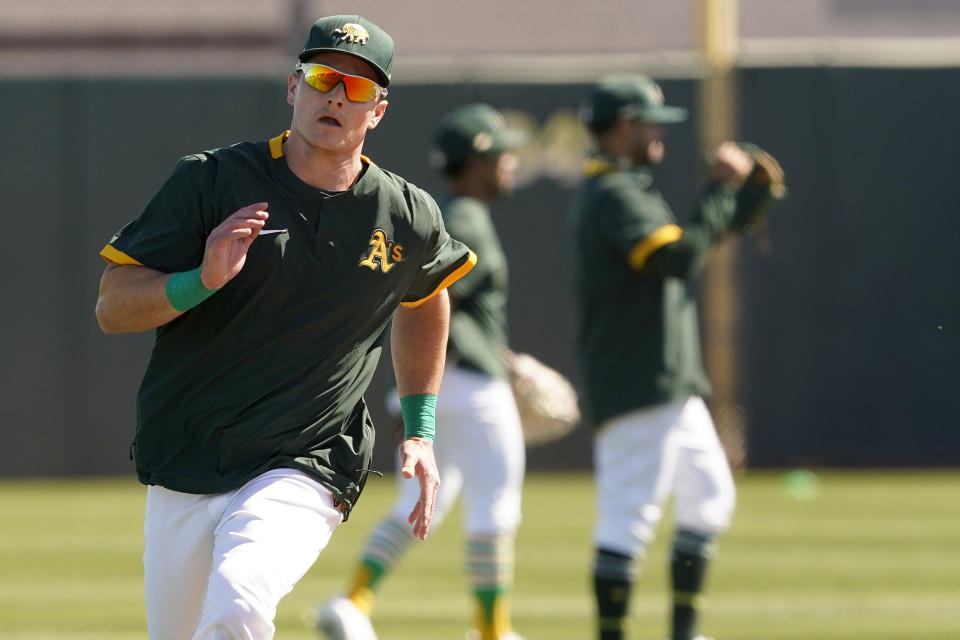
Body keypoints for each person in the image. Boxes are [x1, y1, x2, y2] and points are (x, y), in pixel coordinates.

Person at [94, 15, 477, 640]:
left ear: (377, 112)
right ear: (293, 88)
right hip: (189, 451)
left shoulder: (406, 214)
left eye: (357, 88)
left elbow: (426, 296)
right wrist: (200, 281)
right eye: (324, 77)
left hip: (309, 459)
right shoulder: (212, 180)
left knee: (240, 602)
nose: (336, 96)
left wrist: (421, 428)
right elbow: (113, 306)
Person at [315, 104, 527, 640]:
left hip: (444, 382)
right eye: (500, 153)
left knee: (419, 503)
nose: (510, 162)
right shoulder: (466, 217)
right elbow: (429, 307)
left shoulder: (446, 215)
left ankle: (353, 601)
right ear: (476, 159)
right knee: (495, 502)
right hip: (470, 387)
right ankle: (493, 631)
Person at [567, 75, 759, 640]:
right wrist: (721, 192)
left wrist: (728, 208)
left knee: (710, 500)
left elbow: (687, 247)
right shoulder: (612, 192)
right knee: (629, 519)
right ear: (625, 124)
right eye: (651, 122)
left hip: (668, 382)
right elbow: (676, 259)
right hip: (638, 375)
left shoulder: (627, 184)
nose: (659, 133)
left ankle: (683, 631)